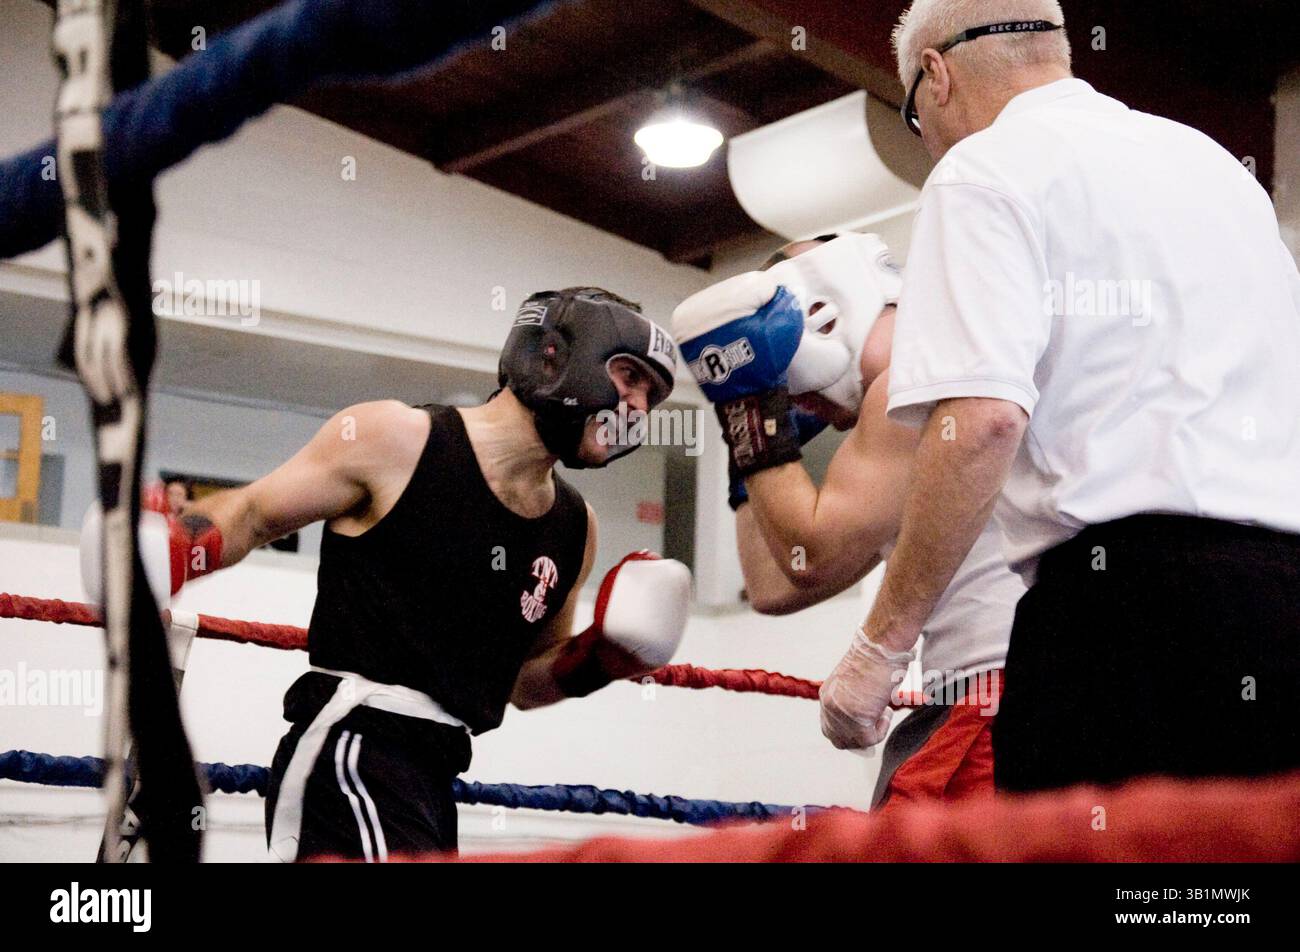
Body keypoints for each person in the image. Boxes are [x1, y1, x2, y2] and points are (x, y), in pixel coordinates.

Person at [827, 0, 1300, 792]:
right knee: (1222, 900)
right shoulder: (1218, 166)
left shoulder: (984, 166)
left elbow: (981, 422)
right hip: (1282, 604)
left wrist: (879, 649)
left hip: (1126, 616)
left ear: (936, 77)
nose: (928, 137)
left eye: (913, 114)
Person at [86, 287, 691, 860]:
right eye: (629, 376)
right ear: (557, 354)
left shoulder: (574, 527)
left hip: (435, 774)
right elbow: (251, 513)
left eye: (653, 396)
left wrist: (603, 659)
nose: (637, 407)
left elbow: (525, 684)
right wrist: (174, 547)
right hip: (351, 746)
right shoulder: (397, 439)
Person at [673, 232, 1021, 811]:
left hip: (994, 698)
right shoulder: (936, 375)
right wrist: (754, 446)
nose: (804, 409)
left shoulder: (916, 370)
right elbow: (774, 584)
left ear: (818, 318)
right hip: (990, 693)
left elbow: (814, 554)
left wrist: (750, 408)